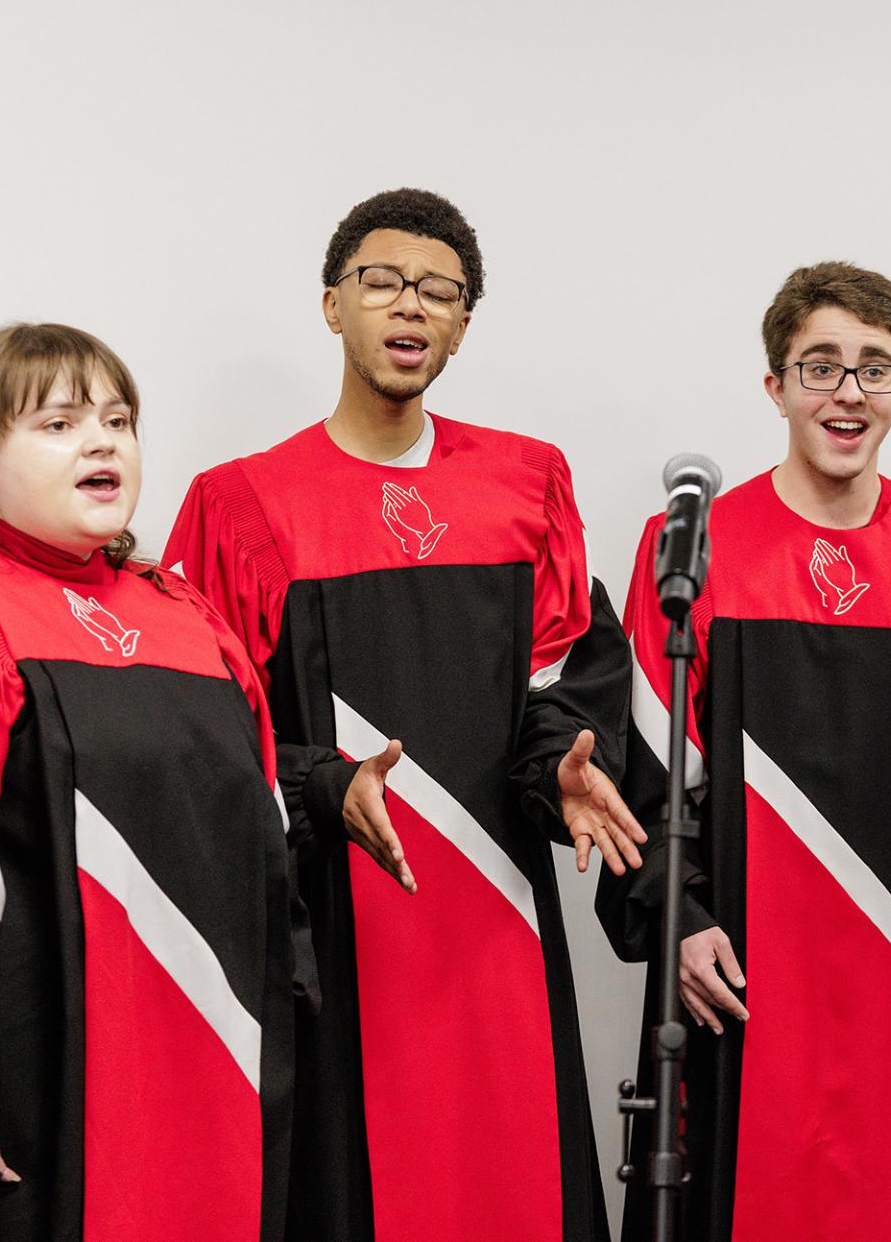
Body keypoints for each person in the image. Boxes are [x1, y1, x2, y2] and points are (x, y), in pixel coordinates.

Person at [164, 188, 641, 1242]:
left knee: (513, 1179)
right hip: (335, 920)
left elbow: (559, 679)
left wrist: (560, 763)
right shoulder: (243, 502)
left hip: (500, 913)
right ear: (334, 305)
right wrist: (324, 787)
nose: (409, 307)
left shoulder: (529, 482)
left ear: (464, 325)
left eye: (440, 291)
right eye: (382, 282)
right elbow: (204, 730)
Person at [0, 323, 406, 1242]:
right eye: (57, 424)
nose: (101, 442)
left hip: (222, 1057)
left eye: (118, 420)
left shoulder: (183, 612)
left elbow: (248, 815)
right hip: (56, 1080)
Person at [596, 261, 891, 1241]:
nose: (848, 391)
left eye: (876, 369)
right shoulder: (695, 544)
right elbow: (655, 771)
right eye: (821, 365)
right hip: (744, 971)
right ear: (776, 386)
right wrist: (686, 915)